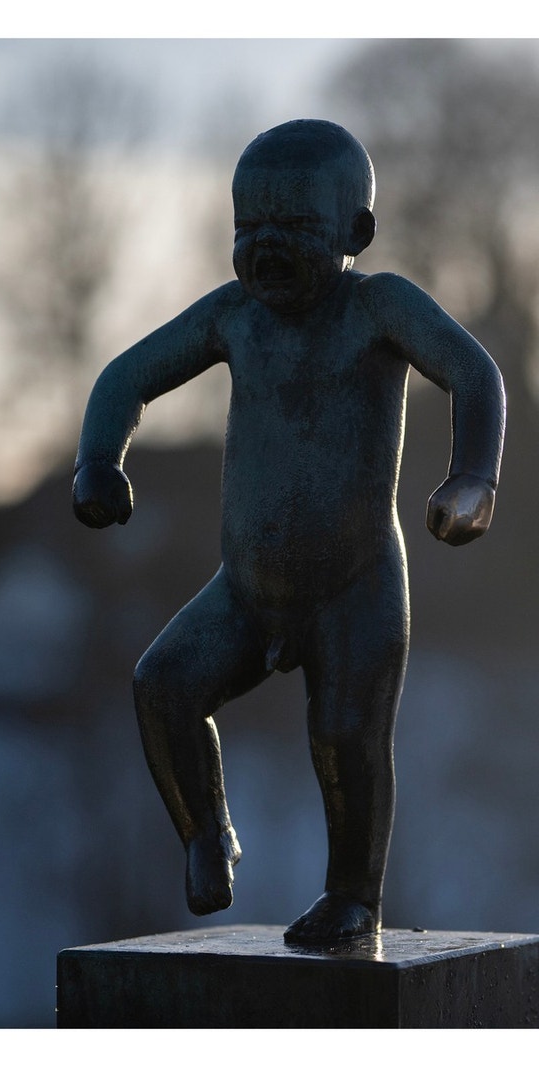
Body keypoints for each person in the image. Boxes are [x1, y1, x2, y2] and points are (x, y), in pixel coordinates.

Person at [74, 120, 505, 944]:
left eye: (295, 226)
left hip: (356, 585)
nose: (266, 246)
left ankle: (354, 895)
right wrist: (99, 460)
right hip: (246, 589)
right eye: (250, 227)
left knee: (346, 737)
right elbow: (126, 377)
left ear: (356, 231)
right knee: (163, 686)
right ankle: (206, 831)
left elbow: (472, 372)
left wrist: (474, 476)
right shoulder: (235, 316)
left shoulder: (378, 307)